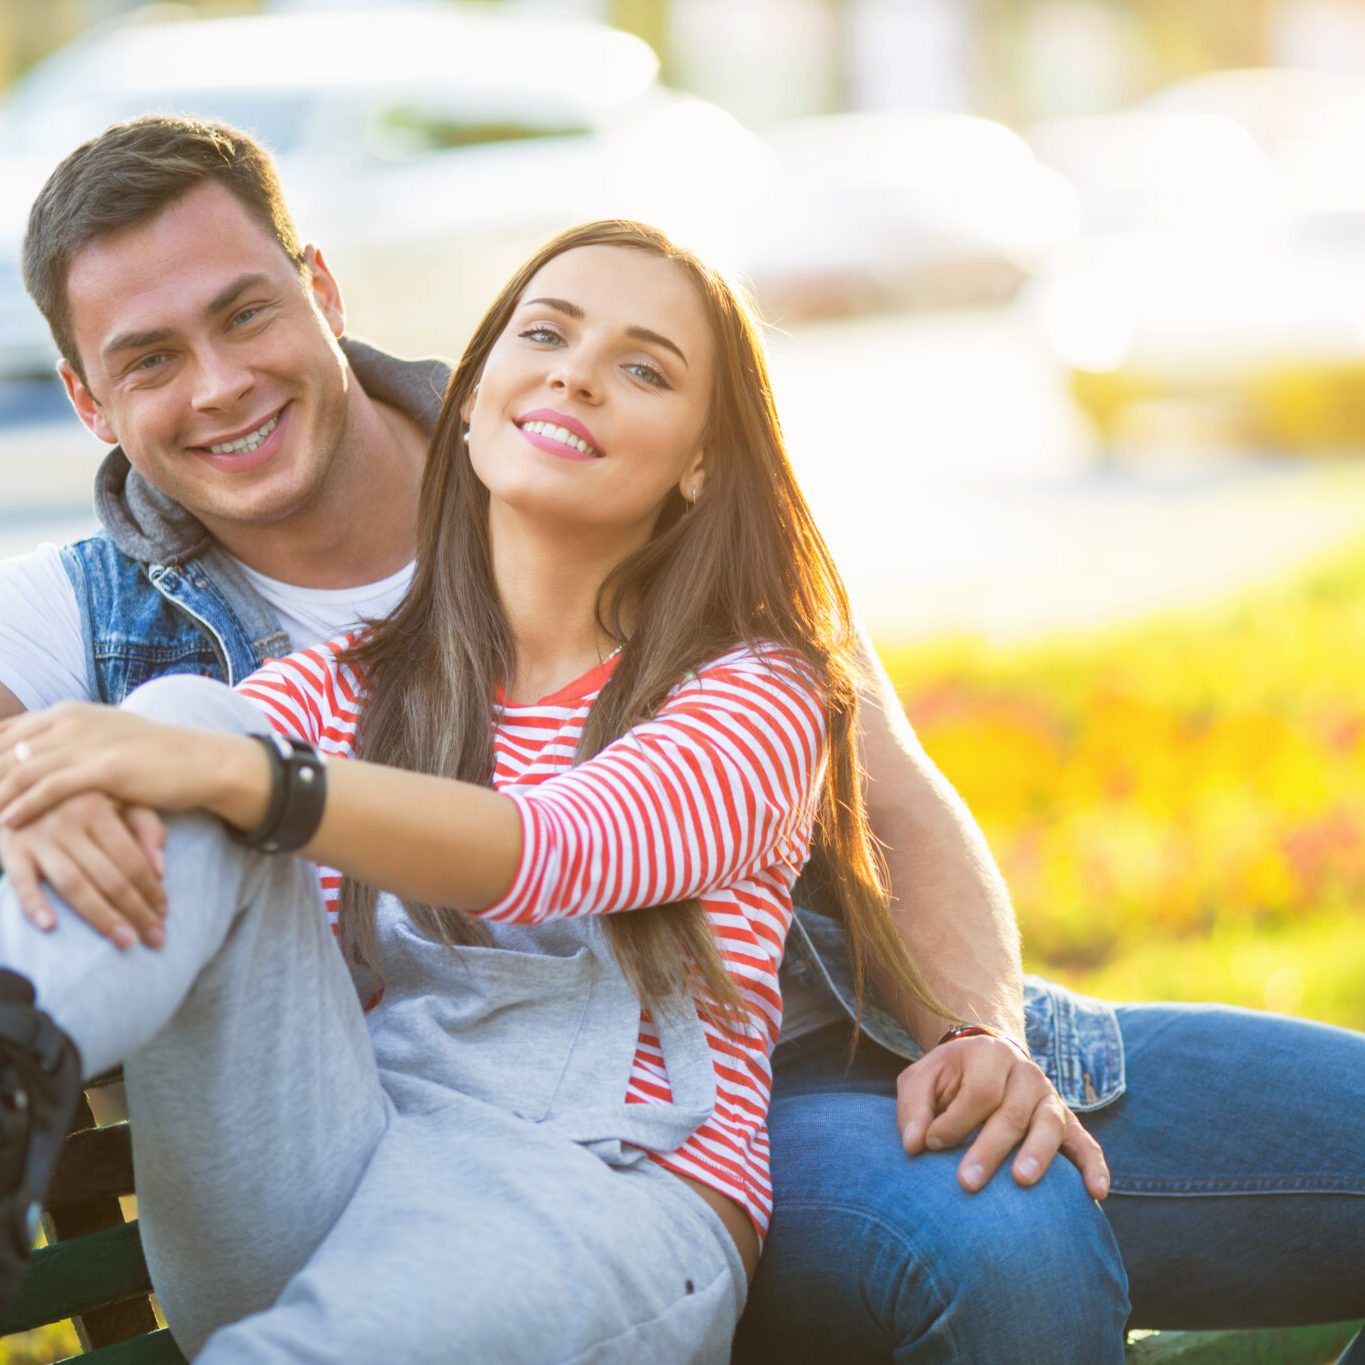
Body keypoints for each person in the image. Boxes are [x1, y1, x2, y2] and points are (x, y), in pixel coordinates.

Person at [0, 116, 1360, 1361]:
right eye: (152, 359)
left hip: (790, 1073)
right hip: (388, 1146)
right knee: (177, 716)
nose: (223, 383)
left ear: (323, 290)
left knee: (1023, 1197)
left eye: (246, 313)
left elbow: (697, 820)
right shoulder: (164, 631)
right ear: (88, 398)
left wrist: (974, 1029)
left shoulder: (716, 621)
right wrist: (105, 763)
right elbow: (211, 760)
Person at [0, 216, 951, 1359]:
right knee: (182, 717)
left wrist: (253, 780)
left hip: (601, 1192)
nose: (575, 375)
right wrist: (101, 774)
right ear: (476, 387)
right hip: (329, 1171)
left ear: (704, 455)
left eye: (642, 367)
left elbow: (561, 847)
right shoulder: (355, 681)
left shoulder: (759, 690)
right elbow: (184, 772)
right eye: (545, 334)